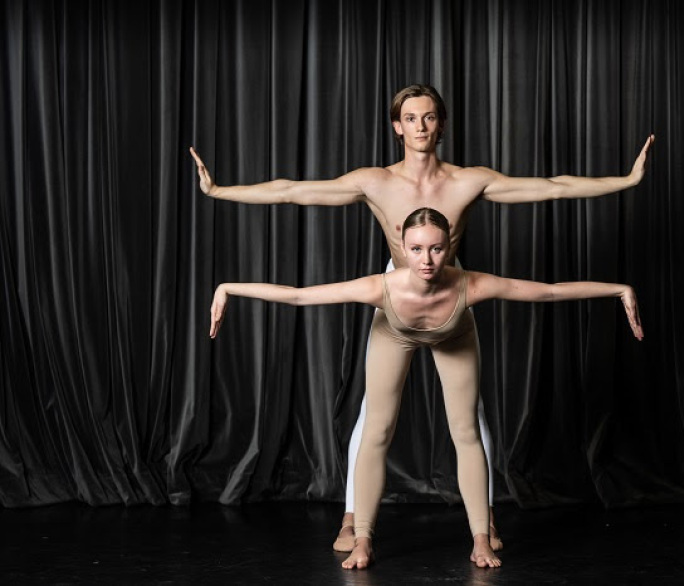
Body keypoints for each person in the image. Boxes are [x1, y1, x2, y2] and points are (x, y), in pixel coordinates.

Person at [191, 84, 654, 552]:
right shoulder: (375, 182)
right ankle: (354, 518)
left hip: (450, 291)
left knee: (469, 419)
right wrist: (219, 191)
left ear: (441, 124)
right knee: (374, 417)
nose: (420, 127)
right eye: (410, 118)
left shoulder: (467, 182)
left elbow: (553, 187)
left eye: (429, 117)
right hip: (396, 292)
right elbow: (292, 192)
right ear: (397, 126)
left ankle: (483, 523)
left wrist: (626, 181)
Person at [209, 208, 643, 569]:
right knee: (377, 429)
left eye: (436, 248)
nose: (427, 260)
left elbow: (547, 292)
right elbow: (299, 296)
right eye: (416, 249)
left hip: (454, 334)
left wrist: (619, 289)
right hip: (393, 333)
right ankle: (363, 539)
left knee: (466, 431)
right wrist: (228, 288)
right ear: (401, 246)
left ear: (449, 244)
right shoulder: (381, 287)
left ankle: (481, 538)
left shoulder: (469, 284)